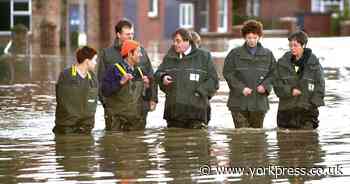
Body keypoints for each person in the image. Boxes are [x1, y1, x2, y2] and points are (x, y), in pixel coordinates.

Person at [97, 19, 157, 130]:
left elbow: (151, 76)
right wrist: (106, 104)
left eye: (132, 34)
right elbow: (101, 83)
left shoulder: (141, 52)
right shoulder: (107, 54)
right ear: (118, 34)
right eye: (127, 34)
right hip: (115, 113)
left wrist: (153, 99)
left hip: (138, 111)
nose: (131, 37)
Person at [155, 28, 219, 129]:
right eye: (174, 41)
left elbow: (214, 81)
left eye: (178, 41)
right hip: (173, 113)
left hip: (197, 113)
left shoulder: (204, 56)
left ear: (187, 41)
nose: (175, 44)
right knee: (173, 141)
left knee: (196, 142)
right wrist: (163, 77)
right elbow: (157, 74)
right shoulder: (169, 57)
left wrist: (200, 92)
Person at [223, 19, 275, 128]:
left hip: (259, 103)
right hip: (238, 103)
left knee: (257, 138)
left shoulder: (268, 54)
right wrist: (241, 88)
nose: (252, 40)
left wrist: (265, 86)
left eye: (255, 38)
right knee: (241, 137)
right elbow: (228, 73)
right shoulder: (234, 54)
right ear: (244, 37)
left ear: (259, 37)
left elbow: (274, 73)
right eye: (249, 38)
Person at [273, 31, 325, 129]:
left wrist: (312, 105)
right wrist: (290, 91)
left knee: (309, 141)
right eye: (290, 45)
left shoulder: (315, 64)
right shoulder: (281, 63)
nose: (292, 48)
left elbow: (320, 87)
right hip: (286, 112)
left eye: (295, 45)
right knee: (285, 142)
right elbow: (276, 84)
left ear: (303, 45)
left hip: (307, 113)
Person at [101, 40, 150, 131]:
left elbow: (145, 98)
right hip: (117, 124)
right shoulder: (113, 69)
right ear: (130, 54)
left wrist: (147, 87)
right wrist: (120, 82)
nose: (141, 55)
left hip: (135, 123)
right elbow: (104, 91)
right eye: (138, 52)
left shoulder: (140, 71)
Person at [54, 46, 98, 134]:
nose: (95, 63)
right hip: (67, 129)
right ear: (87, 61)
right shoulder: (66, 75)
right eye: (94, 60)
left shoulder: (93, 78)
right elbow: (61, 100)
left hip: (86, 129)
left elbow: (94, 102)